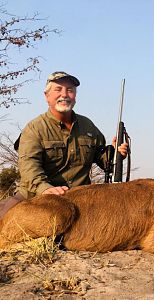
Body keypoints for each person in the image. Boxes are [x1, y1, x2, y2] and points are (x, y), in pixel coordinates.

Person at [0, 71, 128, 219]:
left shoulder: (88, 125)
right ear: (46, 96)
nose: (65, 94)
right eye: (58, 89)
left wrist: (115, 152)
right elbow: (29, 167)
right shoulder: (34, 128)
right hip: (36, 195)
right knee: (4, 223)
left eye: (70, 90)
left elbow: (103, 159)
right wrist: (46, 189)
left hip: (80, 198)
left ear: (75, 97)